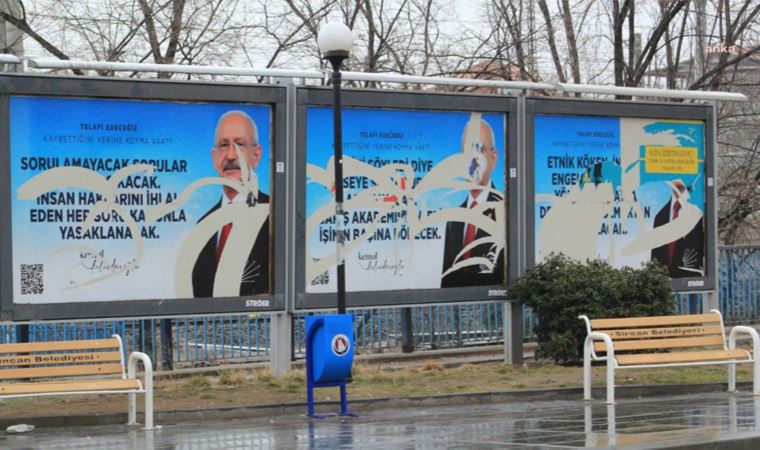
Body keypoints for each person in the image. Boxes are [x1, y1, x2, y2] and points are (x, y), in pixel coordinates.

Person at [192, 111, 270, 297]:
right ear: (214, 157)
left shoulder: (277, 216)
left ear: (256, 155)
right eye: (224, 145)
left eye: (239, 145)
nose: (231, 155)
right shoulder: (203, 226)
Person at [441, 114, 505, 288]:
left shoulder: (506, 212)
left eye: (481, 149)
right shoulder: (454, 220)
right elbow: (447, 281)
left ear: (494, 158)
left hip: (492, 310)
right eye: (469, 150)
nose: (474, 159)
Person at [650, 180, 704, 278]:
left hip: (691, 277)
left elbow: (703, 245)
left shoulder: (697, 213)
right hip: (665, 280)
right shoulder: (660, 216)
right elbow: (655, 253)